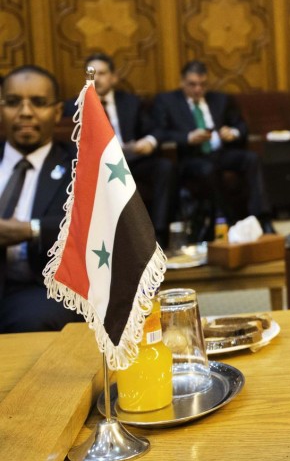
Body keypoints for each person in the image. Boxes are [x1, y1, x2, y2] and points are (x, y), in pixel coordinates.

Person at [0, 65, 80, 333]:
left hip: (42, 286)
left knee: (31, 320)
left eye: (38, 103)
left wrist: (31, 230)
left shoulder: (79, 165)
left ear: (57, 112)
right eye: (12, 102)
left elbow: (95, 226)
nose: (25, 112)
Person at [62, 53, 174, 244]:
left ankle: (160, 234)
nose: (96, 78)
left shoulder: (130, 102)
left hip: (130, 160)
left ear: (113, 77)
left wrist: (148, 141)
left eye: (102, 73)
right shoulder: (72, 107)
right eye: (90, 74)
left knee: (165, 167)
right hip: (95, 168)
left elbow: (155, 130)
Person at [151, 60, 274, 234]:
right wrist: (188, 137)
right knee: (207, 169)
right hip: (190, 157)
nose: (198, 89)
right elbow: (159, 133)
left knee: (251, 159)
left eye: (202, 85)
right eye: (192, 85)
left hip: (219, 152)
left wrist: (233, 132)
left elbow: (242, 126)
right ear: (182, 82)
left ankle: (263, 218)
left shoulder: (220, 99)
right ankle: (231, 219)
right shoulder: (167, 101)